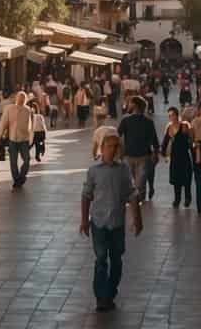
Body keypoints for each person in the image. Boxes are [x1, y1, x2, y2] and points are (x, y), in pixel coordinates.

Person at [81, 133, 143, 313]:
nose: (115, 150)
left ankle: (110, 293)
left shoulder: (123, 169)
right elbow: (86, 196)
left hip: (117, 223)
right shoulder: (93, 170)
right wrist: (84, 220)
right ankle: (101, 297)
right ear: (102, 148)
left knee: (116, 260)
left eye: (117, 146)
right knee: (101, 259)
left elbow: (132, 194)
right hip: (99, 222)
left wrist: (137, 219)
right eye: (111, 146)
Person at [117, 96, 158, 203]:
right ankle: (135, 202)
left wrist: (155, 154)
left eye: (130, 103)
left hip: (141, 157)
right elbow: (118, 135)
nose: (128, 105)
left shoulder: (146, 122)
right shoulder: (127, 120)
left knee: (140, 183)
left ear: (135, 105)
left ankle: (139, 204)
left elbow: (154, 140)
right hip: (132, 156)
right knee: (132, 182)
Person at [0, 92, 35, 189]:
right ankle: (16, 180)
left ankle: (22, 176)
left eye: (23, 98)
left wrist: (31, 139)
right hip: (12, 139)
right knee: (13, 162)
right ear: (16, 98)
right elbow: (3, 123)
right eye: (19, 98)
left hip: (24, 139)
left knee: (27, 160)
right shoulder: (9, 108)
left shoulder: (28, 110)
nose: (21, 100)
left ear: (25, 100)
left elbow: (30, 126)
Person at [162, 112, 194, 208]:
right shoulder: (169, 127)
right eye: (169, 115)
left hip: (184, 155)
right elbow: (165, 141)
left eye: (172, 114)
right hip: (175, 157)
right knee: (176, 179)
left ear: (177, 115)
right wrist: (163, 154)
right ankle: (177, 199)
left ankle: (187, 198)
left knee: (187, 178)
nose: (171, 117)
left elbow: (191, 140)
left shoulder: (184, 126)